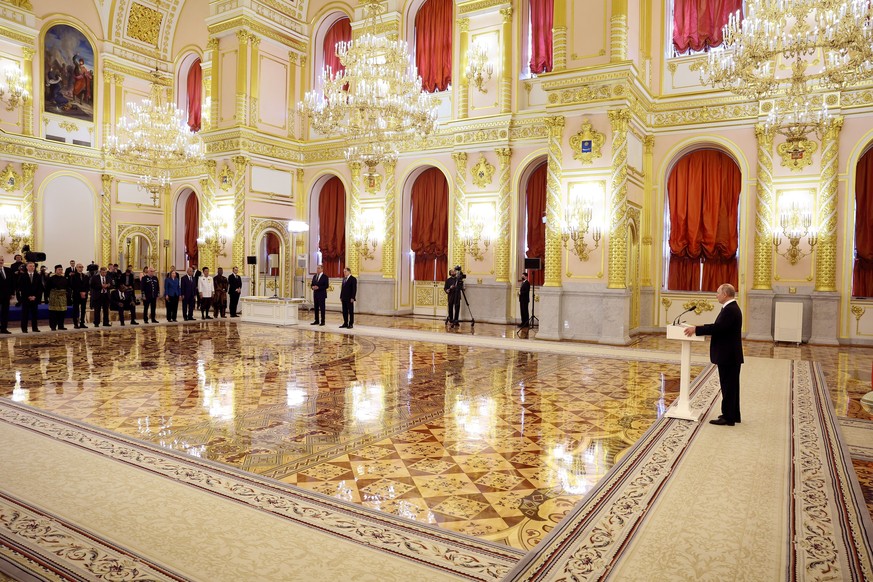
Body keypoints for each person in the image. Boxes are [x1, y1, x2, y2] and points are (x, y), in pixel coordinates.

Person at [684, 283, 744, 426]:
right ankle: (734, 414)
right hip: (731, 354)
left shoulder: (730, 310)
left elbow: (719, 328)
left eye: (718, 293)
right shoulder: (731, 308)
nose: (716, 295)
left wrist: (696, 329)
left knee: (728, 386)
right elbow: (720, 326)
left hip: (728, 355)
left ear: (725, 294)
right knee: (732, 386)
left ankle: (728, 417)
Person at [17, 262, 43, 333]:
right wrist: (28, 296)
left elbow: (40, 288)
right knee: (25, 314)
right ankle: (24, 328)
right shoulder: (23, 276)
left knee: (35, 314)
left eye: (33, 266)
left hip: (35, 298)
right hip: (26, 298)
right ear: (27, 267)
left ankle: (35, 328)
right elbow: (21, 288)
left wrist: (35, 296)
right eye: (31, 266)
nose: (32, 267)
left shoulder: (38, 276)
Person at [47, 264, 68, 331]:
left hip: (62, 297)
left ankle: (61, 325)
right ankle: (53, 326)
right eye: (59, 269)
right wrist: (48, 296)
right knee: (53, 312)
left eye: (61, 269)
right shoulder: (51, 278)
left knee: (62, 312)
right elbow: (47, 288)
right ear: (55, 270)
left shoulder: (64, 278)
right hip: (54, 297)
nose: (60, 271)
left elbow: (67, 287)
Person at [70, 263, 89, 328]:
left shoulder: (85, 276)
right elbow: (73, 286)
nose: (81, 268)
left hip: (84, 295)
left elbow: (87, 286)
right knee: (76, 309)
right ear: (76, 268)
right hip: (76, 295)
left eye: (81, 267)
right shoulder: (73, 276)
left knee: (83, 309)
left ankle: (82, 323)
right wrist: (80, 292)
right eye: (79, 267)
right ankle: (76, 323)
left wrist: (85, 292)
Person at [0, 257, 13, 334]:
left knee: (5, 313)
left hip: (6, 296)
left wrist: (12, 293)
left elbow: (12, 283)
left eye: (2, 260)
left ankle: (4, 328)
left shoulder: (8, 270)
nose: (0, 261)